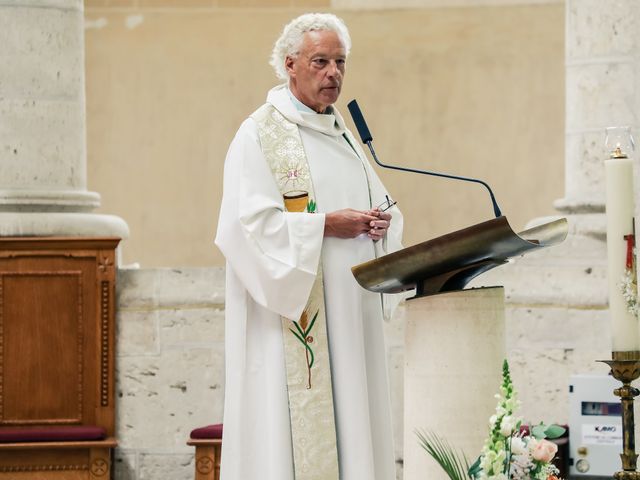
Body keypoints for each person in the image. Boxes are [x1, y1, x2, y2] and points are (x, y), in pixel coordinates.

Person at [215, 12, 403, 480]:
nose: (333, 73)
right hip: (296, 317)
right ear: (289, 64)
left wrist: (383, 223)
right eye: (320, 61)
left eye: (340, 62)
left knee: (354, 422)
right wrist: (323, 227)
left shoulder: (345, 135)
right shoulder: (259, 134)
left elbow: (382, 203)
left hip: (351, 310)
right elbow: (245, 226)